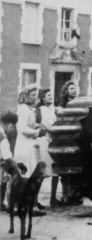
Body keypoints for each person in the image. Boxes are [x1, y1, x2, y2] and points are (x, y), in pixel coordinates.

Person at [14, 84, 46, 214]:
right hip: (25, 147)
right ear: (26, 96)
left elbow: (30, 125)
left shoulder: (29, 109)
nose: (35, 98)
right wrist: (37, 132)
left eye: (36, 95)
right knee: (26, 177)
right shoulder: (22, 109)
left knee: (32, 176)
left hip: (32, 145)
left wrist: (37, 126)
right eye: (33, 95)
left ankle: (29, 206)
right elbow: (22, 129)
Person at [36, 89, 60, 206]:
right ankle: (34, 200)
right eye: (48, 95)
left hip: (54, 141)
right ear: (42, 98)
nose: (51, 97)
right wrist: (57, 127)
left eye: (51, 95)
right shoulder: (41, 110)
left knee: (55, 171)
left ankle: (53, 198)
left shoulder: (52, 109)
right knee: (43, 172)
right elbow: (48, 125)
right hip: (45, 141)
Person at [0, 111, 18, 212]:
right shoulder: (2, 135)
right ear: (9, 124)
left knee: (3, 179)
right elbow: (7, 156)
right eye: (13, 127)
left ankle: (0, 203)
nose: (12, 129)